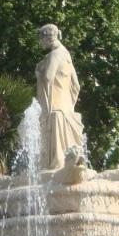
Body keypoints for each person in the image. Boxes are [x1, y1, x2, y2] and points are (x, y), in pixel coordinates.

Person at [34, 23, 85, 171]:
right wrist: (70, 105)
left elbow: (48, 78)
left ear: (47, 38)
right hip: (66, 108)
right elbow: (76, 85)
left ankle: (54, 163)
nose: (40, 42)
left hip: (55, 108)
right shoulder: (66, 54)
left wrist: (39, 72)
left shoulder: (54, 55)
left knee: (53, 167)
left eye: (40, 39)